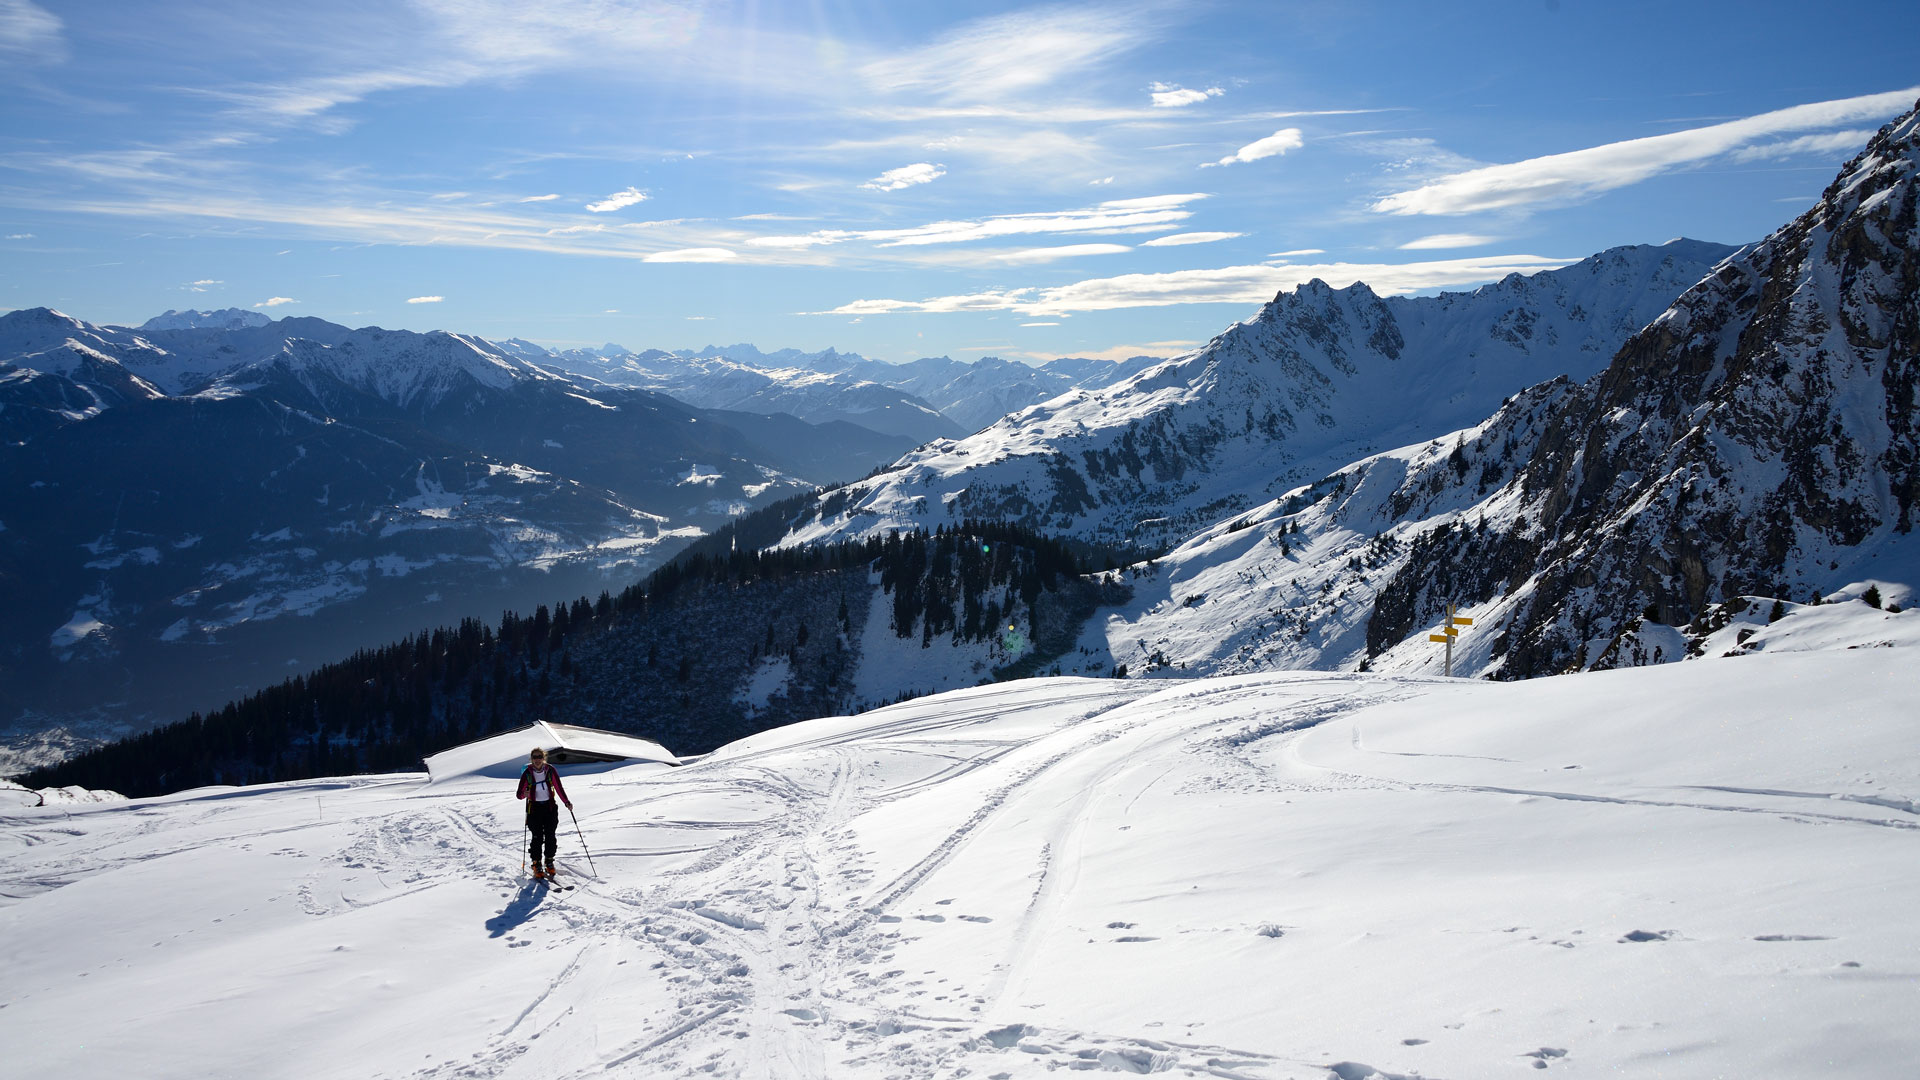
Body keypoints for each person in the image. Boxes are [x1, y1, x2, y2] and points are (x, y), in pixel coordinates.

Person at [516, 747, 572, 880]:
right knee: (537, 837)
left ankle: (549, 861)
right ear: (531, 759)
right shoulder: (527, 773)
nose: (537, 760)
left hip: (550, 807)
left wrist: (566, 802)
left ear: (544, 758)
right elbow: (519, 794)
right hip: (534, 809)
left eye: (539, 757)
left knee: (550, 836)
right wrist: (524, 794)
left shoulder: (550, 770)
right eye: (534, 757)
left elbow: (558, 787)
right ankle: (536, 863)